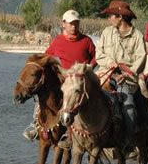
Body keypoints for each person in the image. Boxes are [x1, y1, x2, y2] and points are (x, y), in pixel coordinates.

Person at [23, 9, 96, 141]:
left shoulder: (87, 41)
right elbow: (47, 56)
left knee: (77, 101)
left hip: (78, 80)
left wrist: (89, 67)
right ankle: (35, 125)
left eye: (76, 23)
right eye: (71, 23)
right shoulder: (58, 41)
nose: (74, 26)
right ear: (64, 24)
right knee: (43, 94)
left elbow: (95, 57)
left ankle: (72, 133)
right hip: (60, 78)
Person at [95, 0, 148, 152]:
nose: (109, 19)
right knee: (83, 94)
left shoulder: (137, 36)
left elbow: (141, 59)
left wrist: (126, 73)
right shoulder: (106, 32)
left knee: (129, 109)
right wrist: (111, 62)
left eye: (111, 16)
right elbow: (99, 54)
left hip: (127, 79)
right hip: (106, 74)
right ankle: (79, 136)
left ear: (120, 17)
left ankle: (128, 142)